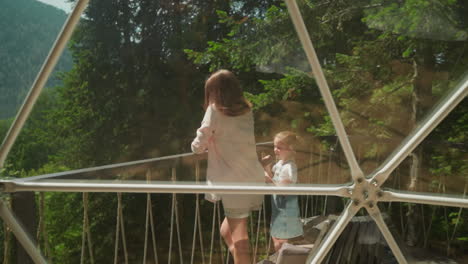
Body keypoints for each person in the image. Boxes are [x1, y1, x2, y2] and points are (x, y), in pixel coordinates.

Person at [191, 69, 264, 264]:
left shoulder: (214, 110)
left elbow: (201, 139)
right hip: (252, 177)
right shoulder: (246, 110)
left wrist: (196, 147)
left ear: (216, 92)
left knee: (240, 240)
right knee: (227, 232)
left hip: (235, 182)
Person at [263, 131, 304, 252]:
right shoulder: (279, 164)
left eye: (279, 148)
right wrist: (266, 168)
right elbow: (274, 179)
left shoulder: (290, 167)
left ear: (291, 149)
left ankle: (283, 258)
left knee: (282, 240)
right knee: (276, 236)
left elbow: (284, 191)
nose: (275, 150)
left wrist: (268, 179)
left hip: (286, 209)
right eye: (275, 146)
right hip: (278, 208)